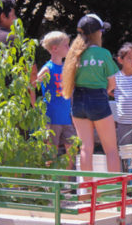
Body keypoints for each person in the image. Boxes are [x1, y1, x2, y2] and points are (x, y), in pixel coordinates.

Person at [61, 14, 121, 175]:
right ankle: (113, 191)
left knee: (86, 148)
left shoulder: (74, 55)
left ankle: (86, 192)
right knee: (111, 149)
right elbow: (112, 83)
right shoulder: (103, 54)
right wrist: (106, 91)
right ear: (97, 33)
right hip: (98, 99)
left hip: (78, 101)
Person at [37, 31, 76, 169]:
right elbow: (34, 82)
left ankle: (68, 182)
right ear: (55, 48)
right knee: (51, 150)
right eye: (66, 45)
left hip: (66, 116)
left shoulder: (66, 67)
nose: (69, 48)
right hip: (52, 117)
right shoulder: (48, 68)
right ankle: (51, 182)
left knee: (72, 149)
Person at [0, 0, 36, 107]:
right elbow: (32, 73)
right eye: (13, 15)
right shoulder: (13, 39)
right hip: (14, 107)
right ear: (3, 16)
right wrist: (33, 105)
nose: (16, 19)